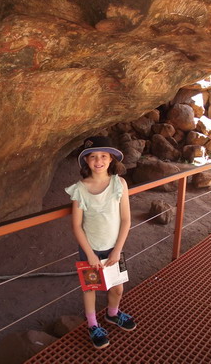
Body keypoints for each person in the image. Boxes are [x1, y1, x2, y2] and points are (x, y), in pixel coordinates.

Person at [65, 136, 136, 349]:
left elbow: (126, 220)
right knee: (90, 288)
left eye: (104, 156)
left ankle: (112, 314)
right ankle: (93, 324)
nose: (99, 161)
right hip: (90, 250)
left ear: (111, 159)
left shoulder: (119, 183)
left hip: (114, 249)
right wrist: (90, 254)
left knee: (117, 289)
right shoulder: (80, 189)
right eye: (93, 157)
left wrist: (117, 250)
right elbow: (77, 226)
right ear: (86, 161)